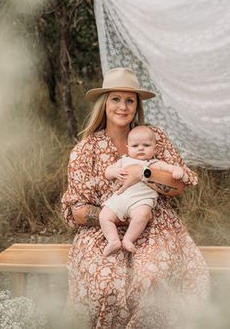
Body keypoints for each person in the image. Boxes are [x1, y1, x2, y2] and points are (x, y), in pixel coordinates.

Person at [61, 67, 209, 328]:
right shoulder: (85, 149)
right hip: (103, 229)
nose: (123, 106)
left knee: (150, 278)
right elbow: (76, 210)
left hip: (154, 222)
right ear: (104, 103)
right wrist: (116, 218)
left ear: (137, 105)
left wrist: (144, 172)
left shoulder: (154, 137)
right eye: (116, 98)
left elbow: (178, 187)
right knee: (106, 284)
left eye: (130, 100)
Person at [100, 125, 184, 256]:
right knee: (104, 216)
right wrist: (114, 172)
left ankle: (128, 239)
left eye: (146, 145)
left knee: (142, 216)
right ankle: (113, 240)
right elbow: (107, 172)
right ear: (128, 148)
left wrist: (177, 170)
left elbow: (171, 168)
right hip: (120, 198)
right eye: (135, 146)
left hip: (141, 201)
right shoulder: (123, 160)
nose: (140, 148)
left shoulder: (154, 164)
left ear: (154, 148)